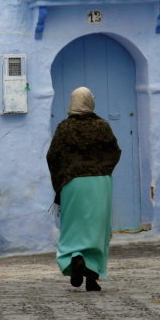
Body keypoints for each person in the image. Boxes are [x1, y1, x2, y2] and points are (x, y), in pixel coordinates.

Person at [46, 87, 121, 291]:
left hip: (73, 184)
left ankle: (75, 258)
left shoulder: (65, 128)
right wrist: (103, 170)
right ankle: (92, 277)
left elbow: (53, 156)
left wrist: (60, 183)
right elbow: (115, 152)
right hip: (99, 183)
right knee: (98, 230)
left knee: (73, 227)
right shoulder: (102, 126)